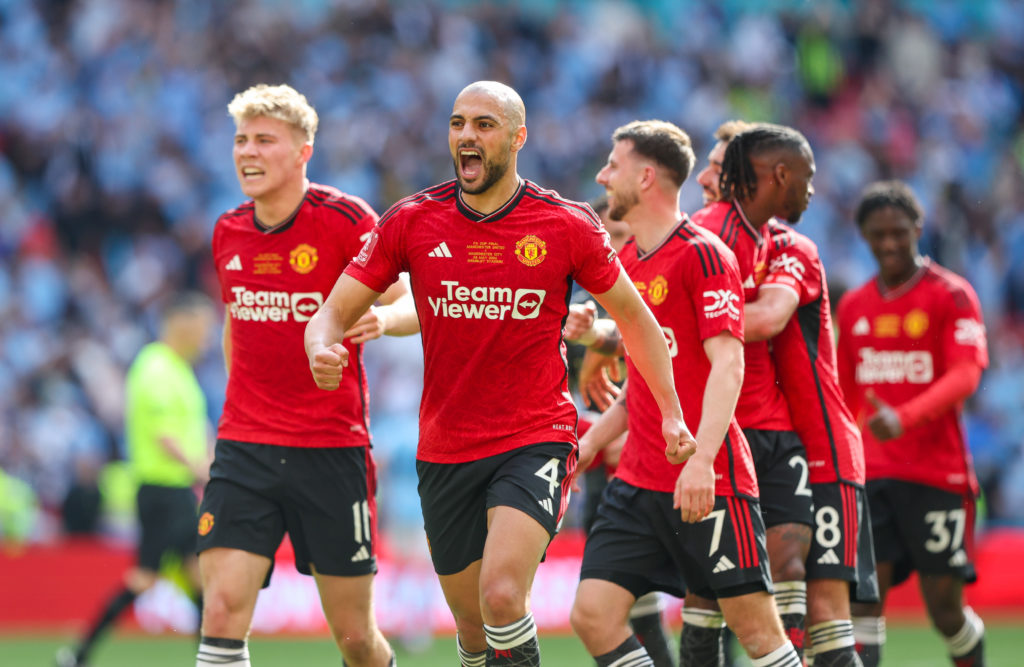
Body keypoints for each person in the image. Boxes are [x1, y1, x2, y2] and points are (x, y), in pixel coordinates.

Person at [305, 81, 693, 667]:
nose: (467, 135)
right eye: (459, 123)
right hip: (445, 447)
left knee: (504, 595)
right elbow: (332, 311)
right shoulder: (412, 220)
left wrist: (670, 413)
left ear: (518, 137)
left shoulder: (566, 224)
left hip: (534, 435)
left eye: (484, 125)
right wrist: (319, 346)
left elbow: (636, 323)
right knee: (472, 631)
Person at [570, 119, 802, 667]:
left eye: (614, 165)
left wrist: (701, 461)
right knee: (592, 616)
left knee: (759, 637)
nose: (603, 175)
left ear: (647, 176)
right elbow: (641, 388)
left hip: (708, 481)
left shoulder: (704, 255)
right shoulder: (624, 266)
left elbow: (729, 363)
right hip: (637, 483)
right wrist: (584, 449)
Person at [196, 83, 412, 667]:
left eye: (265, 140)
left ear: (302, 151)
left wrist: (383, 319)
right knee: (220, 614)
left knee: (356, 641)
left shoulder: (346, 220)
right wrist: (239, 402)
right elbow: (233, 322)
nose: (248, 151)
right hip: (245, 447)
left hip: (331, 449)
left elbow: (414, 301)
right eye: (241, 139)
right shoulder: (227, 231)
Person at [838, 180, 988, 667]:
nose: (889, 244)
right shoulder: (854, 307)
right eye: (878, 234)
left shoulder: (953, 295)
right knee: (864, 600)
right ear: (864, 236)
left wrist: (902, 418)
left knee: (944, 611)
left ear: (917, 230)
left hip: (936, 474)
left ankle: (973, 652)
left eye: (898, 233)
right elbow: (842, 391)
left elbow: (966, 374)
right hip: (873, 476)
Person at [57, 292, 215, 667]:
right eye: (203, 328)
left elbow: (196, 428)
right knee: (150, 577)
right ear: (183, 326)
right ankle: (78, 655)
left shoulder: (177, 368)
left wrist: (208, 464)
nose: (207, 337)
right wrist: (204, 470)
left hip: (177, 490)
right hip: (162, 491)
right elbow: (165, 435)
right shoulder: (155, 366)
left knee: (196, 576)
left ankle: (211, 658)